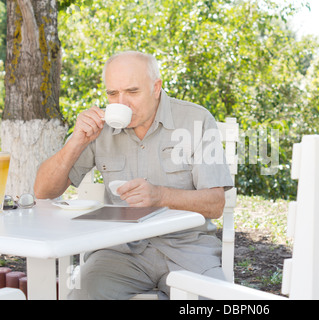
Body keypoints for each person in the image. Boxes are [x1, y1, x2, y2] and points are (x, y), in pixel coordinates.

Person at [34, 51, 234, 299]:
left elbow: (215, 204)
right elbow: (43, 191)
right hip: (120, 252)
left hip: (187, 249)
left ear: (156, 87)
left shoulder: (196, 119)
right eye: (112, 93)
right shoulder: (101, 127)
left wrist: (160, 196)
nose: (121, 103)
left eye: (132, 91)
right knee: (83, 296)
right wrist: (76, 141)